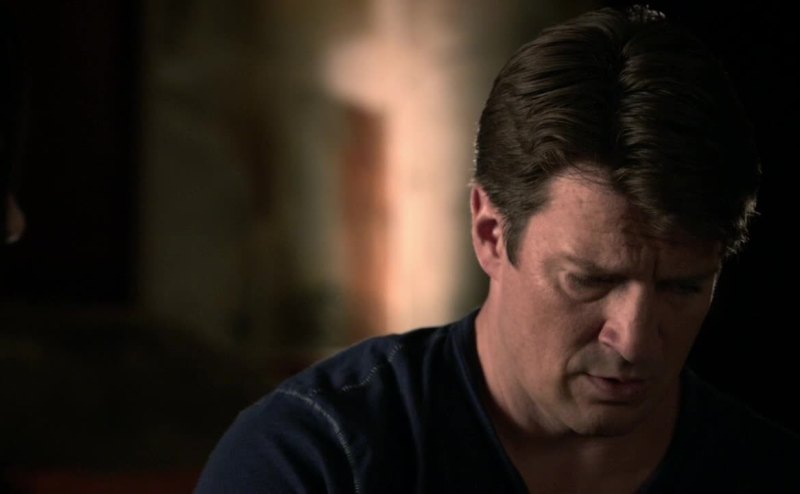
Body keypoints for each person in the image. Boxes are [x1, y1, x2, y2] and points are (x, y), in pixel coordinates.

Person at [196, 5, 800, 492]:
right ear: (490, 233)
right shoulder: (316, 458)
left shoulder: (768, 472)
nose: (636, 341)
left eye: (683, 287)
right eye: (589, 280)